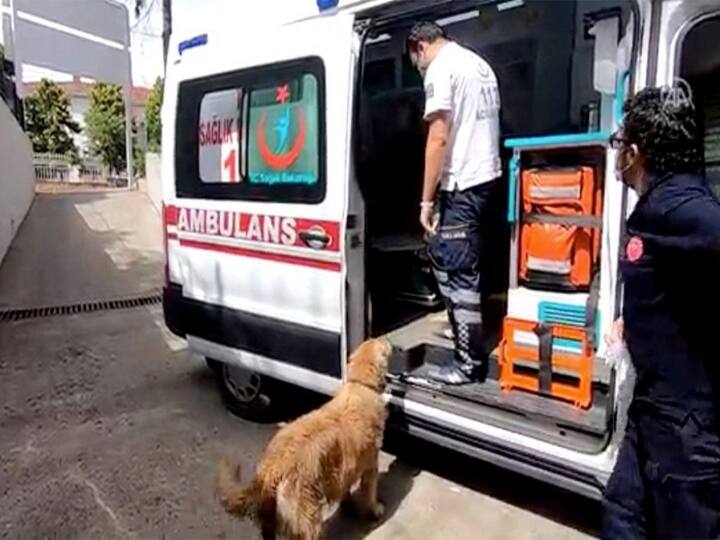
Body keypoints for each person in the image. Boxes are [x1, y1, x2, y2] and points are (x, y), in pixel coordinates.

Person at [602, 87, 720, 538]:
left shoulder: (687, 209)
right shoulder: (666, 205)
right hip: (652, 413)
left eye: (618, 144)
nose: (616, 154)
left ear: (634, 153)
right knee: (622, 513)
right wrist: (639, 324)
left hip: (687, 431)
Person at [407, 21, 502, 385]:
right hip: (485, 177)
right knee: (456, 259)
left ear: (420, 46)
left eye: (415, 59)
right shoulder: (477, 64)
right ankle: (464, 331)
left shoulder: (441, 69)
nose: (418, 67)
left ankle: (467, 364)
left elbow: (438, 138)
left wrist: (425, 201)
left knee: (459, 269)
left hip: (462, 182)